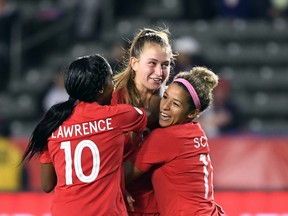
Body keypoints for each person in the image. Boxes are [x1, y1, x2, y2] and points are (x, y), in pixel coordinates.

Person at [21, 54, 148, 216]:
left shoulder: (53, 123)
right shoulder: (116, 117)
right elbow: (147, 115)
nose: (113, 86)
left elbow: (47, 185)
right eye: (111, 79)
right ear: (101, 87)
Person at [125, 66, 225, 215]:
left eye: (176, 104)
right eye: (165, 97)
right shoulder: (195, 132)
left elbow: (121, 175)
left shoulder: (166, 137)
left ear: (192, 113)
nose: (165, 107)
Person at [111, 27, 175, 215]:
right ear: (134, 63)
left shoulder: (174, 105)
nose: (159, 72)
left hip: (158, 205)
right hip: (120, 203)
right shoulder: (113, 100)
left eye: (166, 64)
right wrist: (117, 186)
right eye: (152, 63)